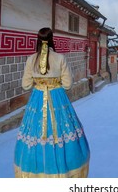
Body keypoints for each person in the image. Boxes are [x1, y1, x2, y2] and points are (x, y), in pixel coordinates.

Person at [14, 27, 90, 178]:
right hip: (57, 97)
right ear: (51, 39)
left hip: (37, 98)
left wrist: (39, 82)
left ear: (38, 39)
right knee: (62, 132)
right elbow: (68, 84)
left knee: (34, 134)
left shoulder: (31, 59)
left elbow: (26, 85)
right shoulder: (60, 58)